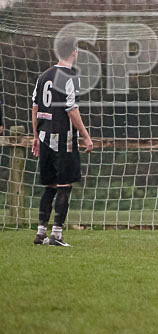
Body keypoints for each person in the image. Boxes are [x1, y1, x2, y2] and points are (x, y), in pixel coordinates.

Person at [31, 37, 94, 246]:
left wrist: (35, 135)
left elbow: (35, 108)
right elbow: (71, 109)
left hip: (44, 136)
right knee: (64, 184)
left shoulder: (43, 76)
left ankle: (40, 232)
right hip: (63, 138)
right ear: (74, 52)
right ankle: (56, 234)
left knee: (49, 185)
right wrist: (85, 135)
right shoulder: (70, 76)